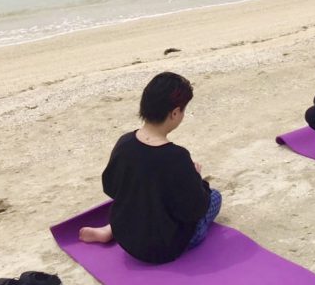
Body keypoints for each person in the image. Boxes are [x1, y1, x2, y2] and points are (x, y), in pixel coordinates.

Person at [79, 72, 222, 264]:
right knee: (214, 197)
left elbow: (110, 187)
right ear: (174, 113)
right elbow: (193, 210)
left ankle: (109, 229)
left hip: (127, 235)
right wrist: (196, 178)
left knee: (141, 198)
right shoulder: (177, 157)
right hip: (164, 247)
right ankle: (111, 229)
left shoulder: (125, 143)